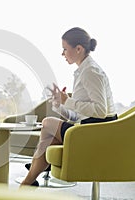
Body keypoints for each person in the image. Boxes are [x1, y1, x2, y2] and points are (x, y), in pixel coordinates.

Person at [21, 27, 117, 186]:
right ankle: (31, 178)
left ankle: (34, 172)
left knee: (47, 124)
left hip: (98, 131)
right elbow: (78, 117)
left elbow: (101, 111)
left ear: (78, 49)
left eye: (65, 49)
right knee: (49, 134)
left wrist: (68, 101)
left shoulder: (91, 72)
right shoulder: (83, 71)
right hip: (88, 127)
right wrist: (59, 105)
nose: (62, 53)